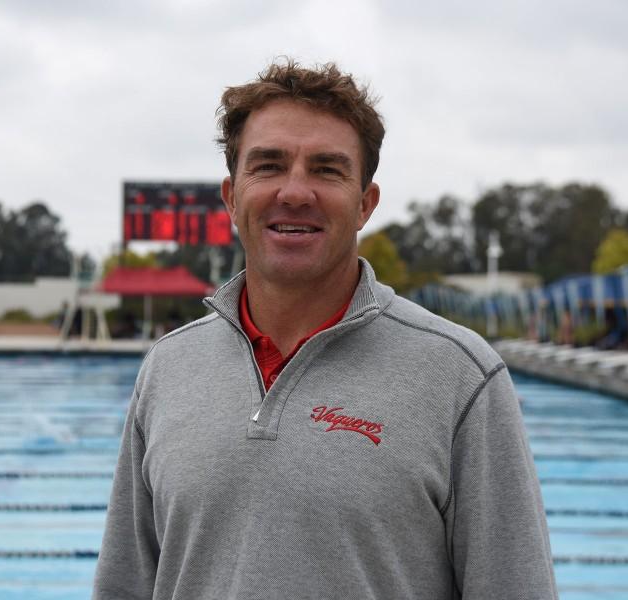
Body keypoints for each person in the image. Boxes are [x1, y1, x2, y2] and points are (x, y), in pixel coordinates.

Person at [93, 60, 557, 599]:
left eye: (327, 170)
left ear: (365, 204)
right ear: (231, 198)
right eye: (268, 166)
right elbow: (125, 585)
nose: (295, 192)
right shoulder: (168, 369)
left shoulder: (459, 376)